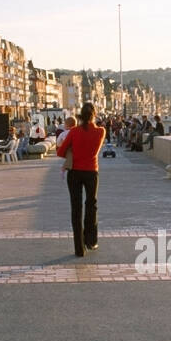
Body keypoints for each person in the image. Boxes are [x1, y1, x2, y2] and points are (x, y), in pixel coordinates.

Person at [57, 102, 104, 257]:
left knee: (76, 209)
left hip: (75, 173)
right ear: (94, 115)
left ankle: (79, 248)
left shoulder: (74, 131)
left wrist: (72, 152)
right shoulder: (100, 132)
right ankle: (91, 240)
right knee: (92, 205)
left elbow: (61, 151)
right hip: (91, 172)